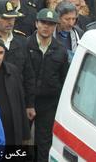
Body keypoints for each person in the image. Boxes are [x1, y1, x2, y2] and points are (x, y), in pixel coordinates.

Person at [27, 8, 69, 162]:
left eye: (51, 24)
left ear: (56, 26)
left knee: (44, 142)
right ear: (36, 23)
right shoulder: (26, 45)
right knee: (21, 140)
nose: (46, 27)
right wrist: (28, 103)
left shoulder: (61, 50)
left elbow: (64, 78)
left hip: (49, 103)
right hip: (27, 101)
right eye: (43, 22)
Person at [0, 36, 30, 146]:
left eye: (0, 53)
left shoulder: (12, 71)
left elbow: (20, 103)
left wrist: (25, 135)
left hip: (12, 133)